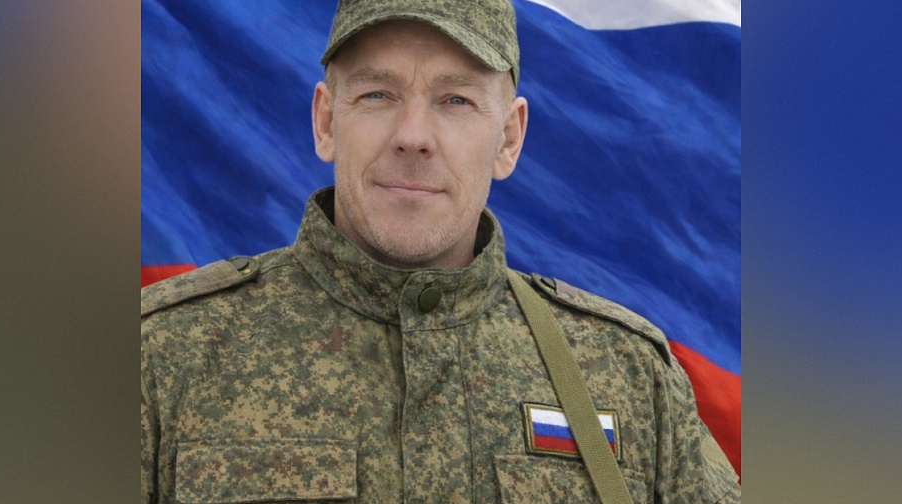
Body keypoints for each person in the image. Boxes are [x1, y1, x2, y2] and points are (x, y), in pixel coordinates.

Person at [141, 0, 740, 502]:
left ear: (508, 139)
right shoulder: (161, 356)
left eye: (456, 100)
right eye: (377, 94)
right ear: (325, 122)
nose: (413, 137)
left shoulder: (628, 377)